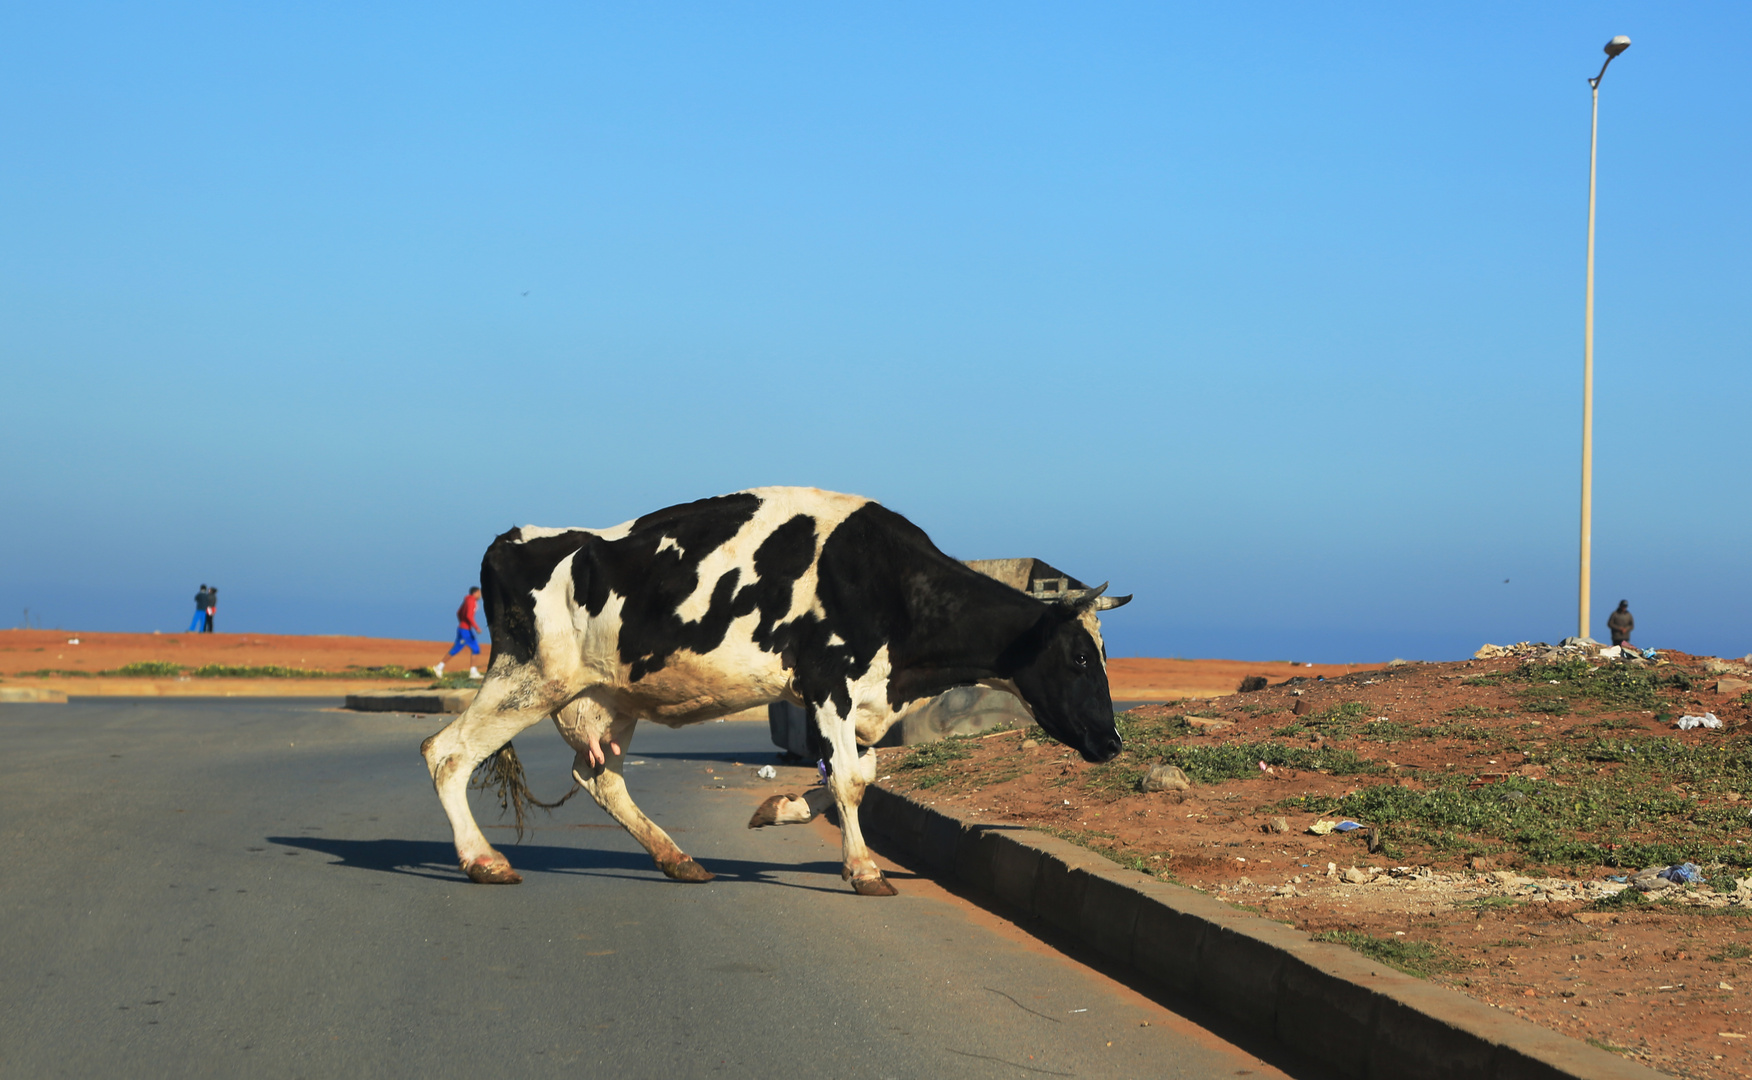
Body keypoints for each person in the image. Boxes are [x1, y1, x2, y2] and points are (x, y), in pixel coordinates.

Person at [435, 586, 485, 680]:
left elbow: (458, 612)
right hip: (465, 630)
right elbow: (469, 616)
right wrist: (476, 627)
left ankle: (473, 672)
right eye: (480, 593)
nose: (480, 595)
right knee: (457, 649)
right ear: (476, 593)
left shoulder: (467, 600)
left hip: (465, 629)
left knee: (476, 648)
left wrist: (462, 622)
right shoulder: (471, 601)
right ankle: (439, 667)